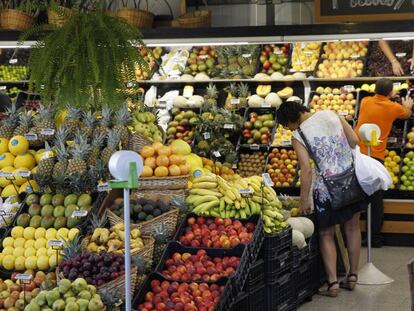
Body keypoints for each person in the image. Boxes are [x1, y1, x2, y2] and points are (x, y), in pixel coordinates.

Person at [277, 102, 367, 297]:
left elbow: (306, 170)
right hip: (350, 179)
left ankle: (332, 283)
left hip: (325, 189)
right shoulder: (331, 114)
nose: (289, 129)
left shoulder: (298, 135)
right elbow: (353, 140)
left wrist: (303, 201)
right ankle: (352, 276)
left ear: (290, 121)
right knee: (352, 227)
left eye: (286, 126)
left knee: (326, 233)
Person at [355, 78, 413, 247]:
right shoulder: (393, 107)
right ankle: (375, 238)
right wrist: (407, 105)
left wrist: (390, 96)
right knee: (375, 197)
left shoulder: (365, 101)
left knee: (360, 194)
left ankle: (356, 234)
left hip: (358, 154)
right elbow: (407, 114)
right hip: (375, 156)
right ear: (390, 93)